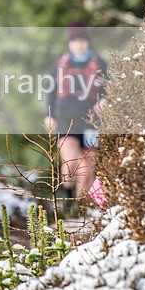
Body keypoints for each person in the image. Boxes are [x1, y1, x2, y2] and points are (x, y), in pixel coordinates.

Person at [43, 21, 108, 204]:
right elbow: (51, 90)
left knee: (88, 166)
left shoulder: (99, 62)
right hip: (66, 121)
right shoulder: (61, 63)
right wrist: (49, 114)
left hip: (91, 123)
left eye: (82, 41)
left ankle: (80, 207)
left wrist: (105, 100)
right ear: (69, 43)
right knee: (70, 163)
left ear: (88, 42)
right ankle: (68, 194)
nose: (79, 45)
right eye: (75, 41)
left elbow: (108, 88)